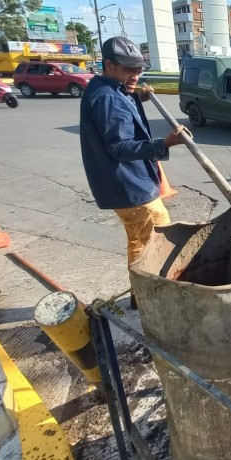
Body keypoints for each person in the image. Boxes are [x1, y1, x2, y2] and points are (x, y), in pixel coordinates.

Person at [79, 37, 189, 294]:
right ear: (109, 65)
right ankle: (149, 293)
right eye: (129, 70)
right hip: (130, 186)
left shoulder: (105, 87)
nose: (136, 75)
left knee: (140, 239)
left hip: (126, 184)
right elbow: (120, 147)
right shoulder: (108, 98)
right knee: (153, 240)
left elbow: (121, 105)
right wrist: (165, 143)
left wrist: (137, 95)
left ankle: (142, 291)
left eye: (139, 69)